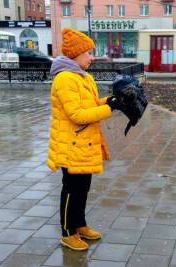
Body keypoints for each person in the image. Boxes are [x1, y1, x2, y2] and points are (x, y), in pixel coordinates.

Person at [47, 27, 120, 251]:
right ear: (76, 54)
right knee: (71, 189)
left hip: (83, 144)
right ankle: (68, 233)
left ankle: (80, 224)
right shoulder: (65, 79)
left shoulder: (83, 77)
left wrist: (113, 100)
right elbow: (77, 116)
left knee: (83, 188)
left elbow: (92, 106)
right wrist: (109, 108)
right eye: (88, 52)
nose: (92, 57)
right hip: (71, 145)